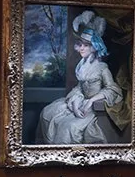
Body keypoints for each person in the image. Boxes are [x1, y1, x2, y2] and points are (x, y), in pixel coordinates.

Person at [39, 16, 126, 144]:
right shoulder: (82, 66)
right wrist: (75, 104)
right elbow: (79, 88)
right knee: (48, 113)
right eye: (80, 45)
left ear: (95, 47)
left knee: (68, 127)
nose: (81, 48)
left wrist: (91, 101)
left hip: (93, 107)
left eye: (86, 45)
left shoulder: (102, 68)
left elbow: (112, 89)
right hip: (79, 102)